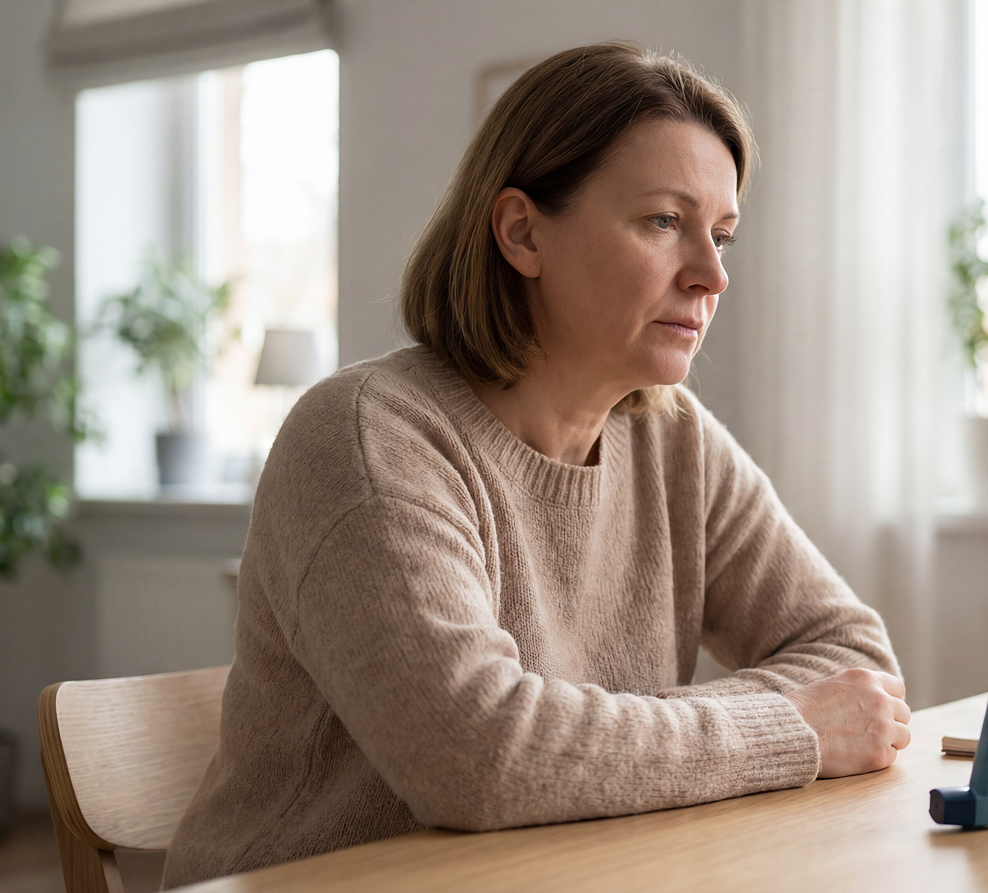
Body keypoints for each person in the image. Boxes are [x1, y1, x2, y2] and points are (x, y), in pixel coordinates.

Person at [162, 42, 910, 887]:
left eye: (722, 234)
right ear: (522, 232)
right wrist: (787, 727)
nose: (711, 275)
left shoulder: (674, 439)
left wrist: (592, 740)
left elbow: (852, 660)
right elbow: (476, 754)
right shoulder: (368, 437)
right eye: (664, 221)